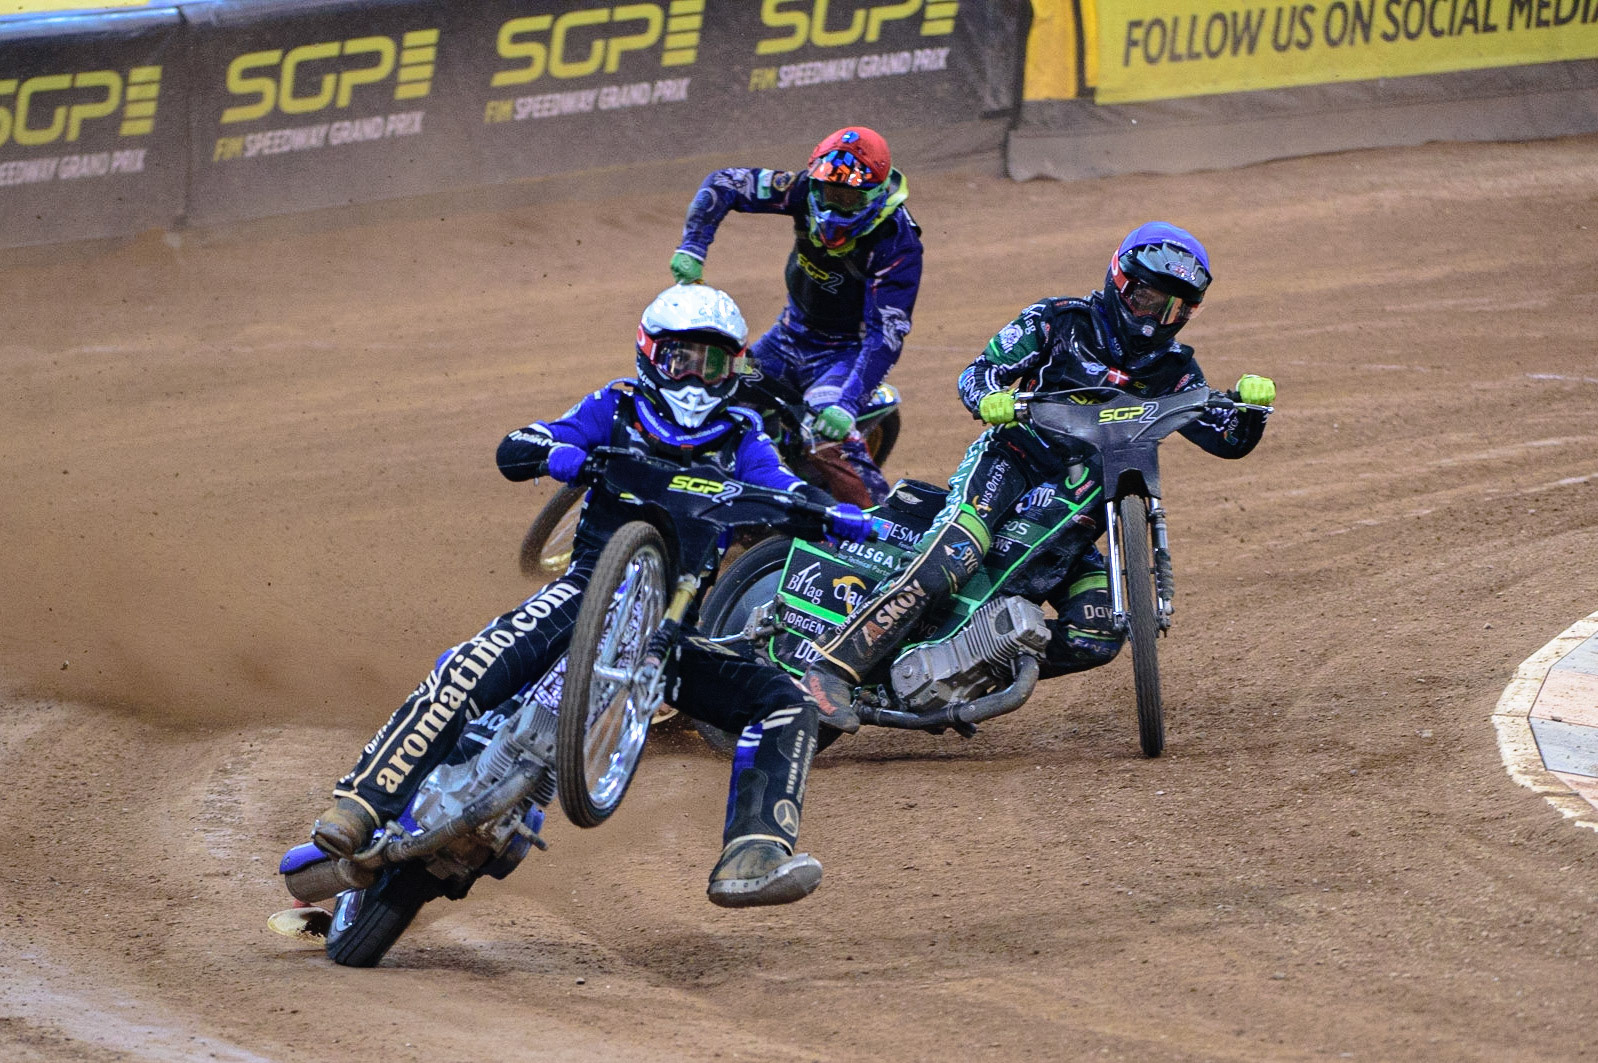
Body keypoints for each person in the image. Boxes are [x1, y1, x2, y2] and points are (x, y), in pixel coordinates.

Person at [309, 283, 874, 908]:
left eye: (712, 362)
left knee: (787, 704)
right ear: (649, 354)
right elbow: (519, 444)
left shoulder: (743, 436)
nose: (694, 377)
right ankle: (363, 804)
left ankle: (754, 854)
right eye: (680, 359)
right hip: (583, 598)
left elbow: (785, 487)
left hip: (668, 633)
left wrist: (835, 514)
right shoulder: (617, 405)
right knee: (473, 663)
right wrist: (554, 453)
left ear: (734, 367)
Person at [797, 221, 1277, 732]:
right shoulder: (1057, 320)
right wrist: (990, 397)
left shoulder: (1176, 371)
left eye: (1174, 309)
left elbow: (1227, 441)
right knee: (955, 555)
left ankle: (960, 673)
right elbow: (977, 372)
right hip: (1011, 462)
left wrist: (1249, 410)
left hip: (1075, 515)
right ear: (1120, 281)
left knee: (1097, 634)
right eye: (1147, 299)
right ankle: (831, 669)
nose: (1155, 318)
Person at [667, 125, 923, 509]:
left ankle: (879, 528)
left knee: (828, 440)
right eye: (829, 193)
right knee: (711, 385)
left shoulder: (897, 241)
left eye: (847, 198)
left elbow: (886, 333)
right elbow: (724, 183)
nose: (834, 206)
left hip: (842, 355)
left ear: (874, 194)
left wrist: (848, 404)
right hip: (786, 337)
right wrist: (693, 247)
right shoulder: (802, 189)